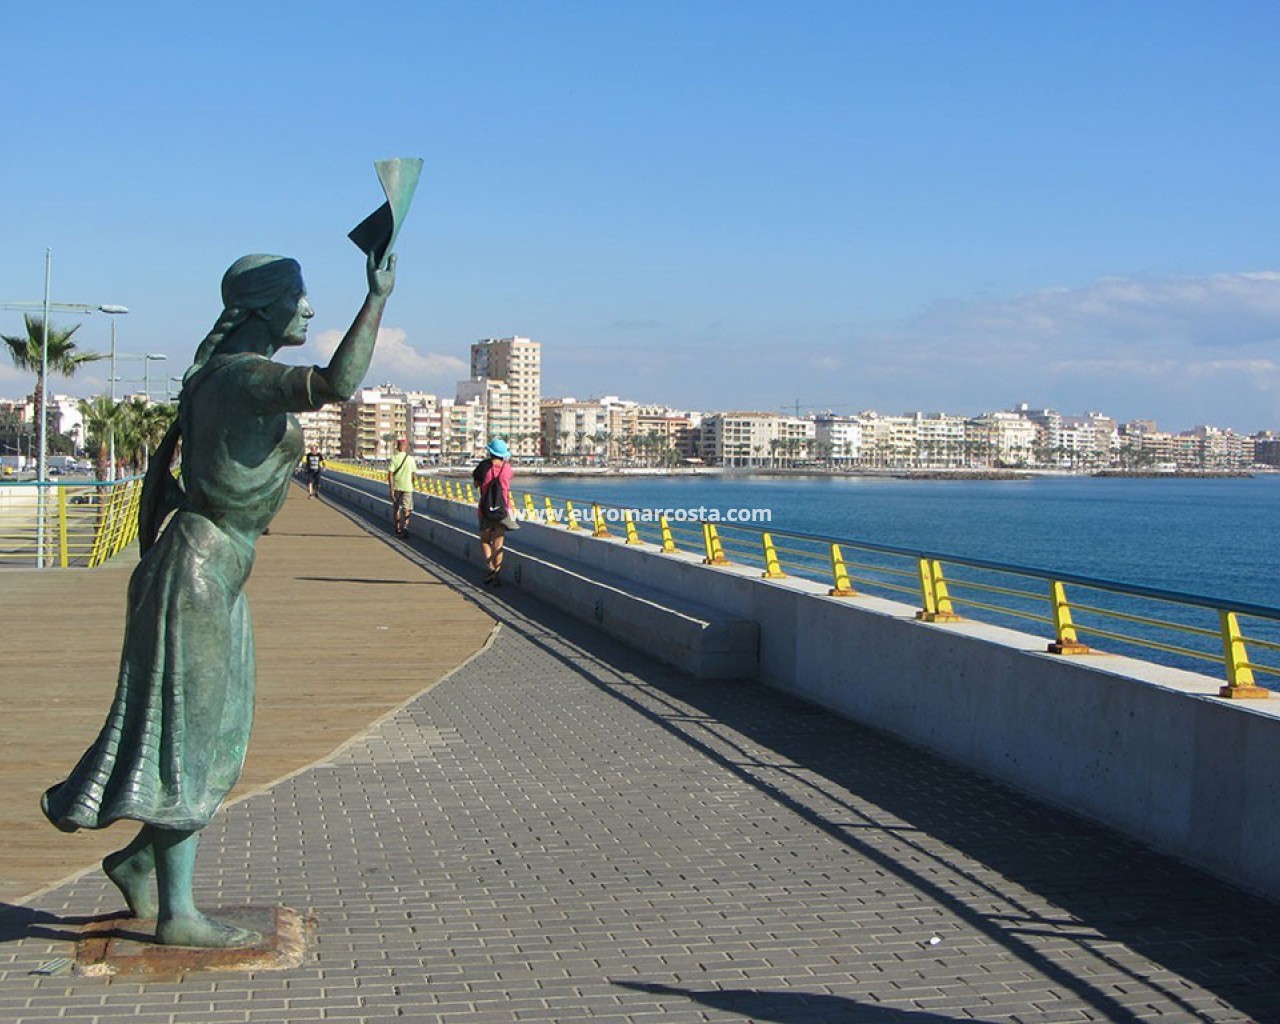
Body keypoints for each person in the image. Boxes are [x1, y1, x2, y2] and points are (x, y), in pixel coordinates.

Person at [40, 249, 396, 948]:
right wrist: (377, 296)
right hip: (199, 571)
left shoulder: (221, 375)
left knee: (220, 739)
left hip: (216, 569)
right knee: (192, 745)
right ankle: (178, 915)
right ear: (262, 307)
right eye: (298, 297)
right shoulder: (243, 375)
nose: (308, 309)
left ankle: (138, 864)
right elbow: (336, 382)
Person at [473, 437, 516, 585]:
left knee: (485, 540)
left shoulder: (483, 467)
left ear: (490, 452)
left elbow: (475, 484)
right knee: (498, 543)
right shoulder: (507, 468)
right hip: (503, 509)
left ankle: (490, 568)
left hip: (485, 509)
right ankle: (497, 572)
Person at [388, 438, 416, 537]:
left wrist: (391, 489)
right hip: (408, 487)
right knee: (406, 508)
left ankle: (398, 528)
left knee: (396, 508)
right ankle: (405, 527)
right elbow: (414, 475)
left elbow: (390, 475)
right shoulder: (411, 459)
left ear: (397, 447)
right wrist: (413, 484)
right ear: (406, 447)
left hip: (397, 487)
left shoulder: (394, 458)